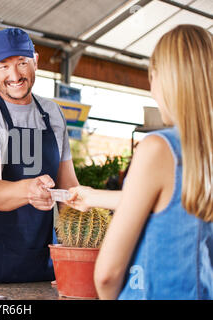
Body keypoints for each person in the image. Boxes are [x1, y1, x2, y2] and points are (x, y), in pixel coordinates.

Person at [65, 24, 212, 300]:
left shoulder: (159, 148)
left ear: (161, 79)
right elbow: (173, 205)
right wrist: (94, 197)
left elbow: (107, 274)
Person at [0, 28, 79, 284]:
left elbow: (68, 188)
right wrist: (30, 189)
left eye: (22, 63)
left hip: (39, 252)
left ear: (35, 60)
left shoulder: (52, 113)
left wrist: (76, 250)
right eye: (3, 66)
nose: (14, 76)